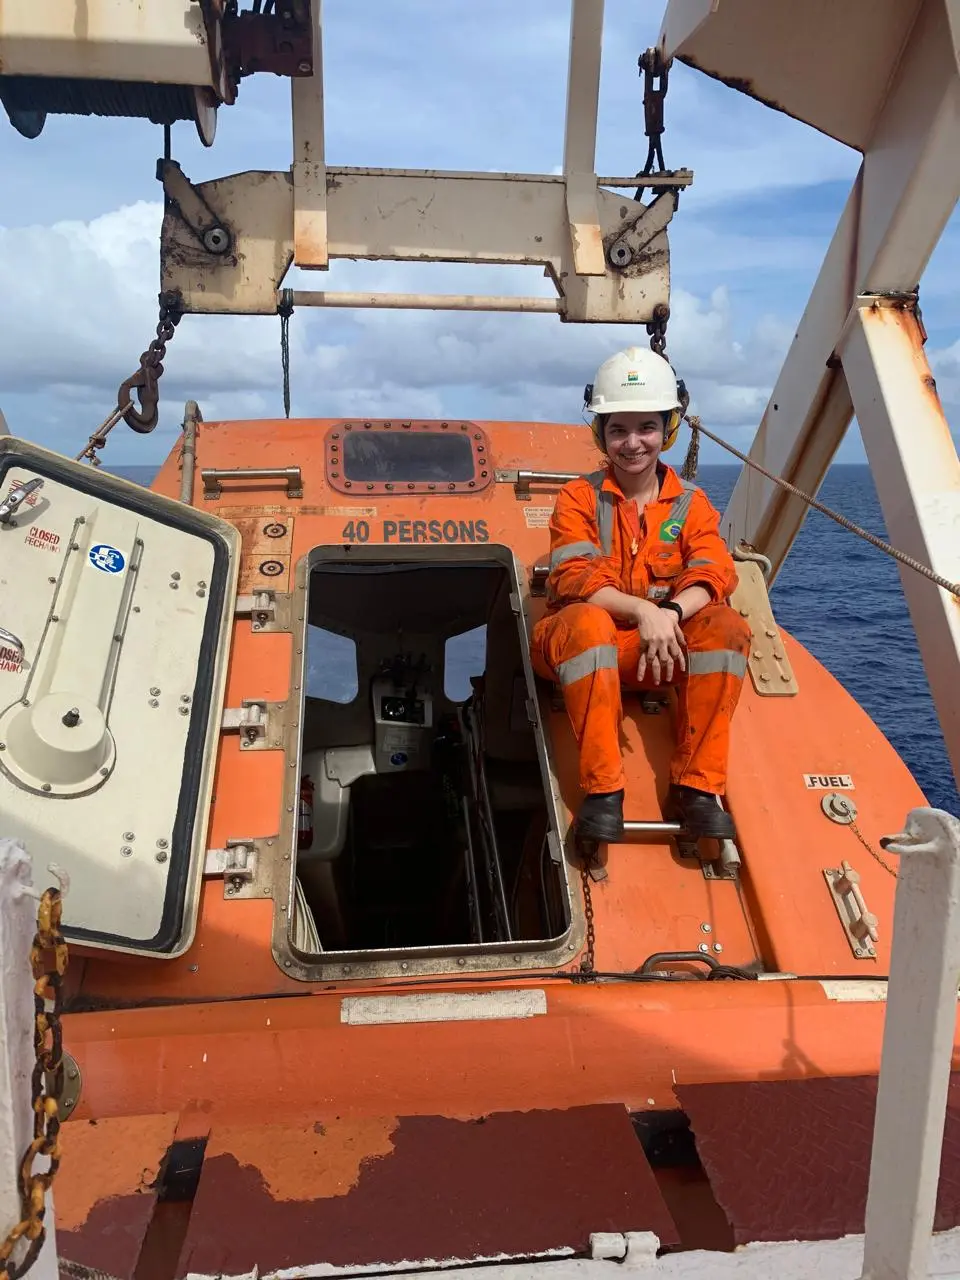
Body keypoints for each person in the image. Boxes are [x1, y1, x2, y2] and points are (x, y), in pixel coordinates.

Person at [530, 346, 751, 843]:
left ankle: (698, 789)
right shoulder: (579, 498)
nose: (633, 443)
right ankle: (603, 793)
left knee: (726, 627)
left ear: (667, 431)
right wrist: (643, 611)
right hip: (584, 649)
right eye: (618, 430)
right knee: (588, 622)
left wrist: (667, 613)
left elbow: (713, 570)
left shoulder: (691, 504)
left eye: (646, 427)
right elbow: (576, 577)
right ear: (601, 434)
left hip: (659, 652)